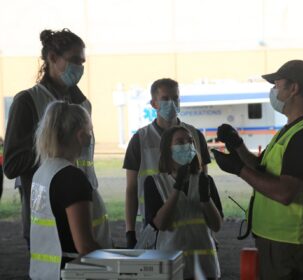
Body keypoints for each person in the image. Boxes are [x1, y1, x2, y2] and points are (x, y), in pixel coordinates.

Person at [212, 60, 303, 280]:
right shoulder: (292, 129)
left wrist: (238, 169)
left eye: (277, 85)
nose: (273, 91)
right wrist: (237, 145)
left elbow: (284, 192)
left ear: (294, 88)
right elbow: (263, 170)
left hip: (293, 244)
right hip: (279, 240)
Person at [3, 28, 104, 249]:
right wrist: (54, 145)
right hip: (48, 213)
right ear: (52, 58)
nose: (80, 68)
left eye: (83, 62)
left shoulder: (83, 105)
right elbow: (12, 166)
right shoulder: (28, 101)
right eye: (74, 60)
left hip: (83, 207)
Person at [123, 78, 211, 248]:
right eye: (165, 99)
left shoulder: (195, 135)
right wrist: (130, 231)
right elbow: (131, 189)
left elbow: (204, 181)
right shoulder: (140, 139)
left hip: (194, 224)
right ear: (154, 103)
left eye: (175, 98)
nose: (171, 103)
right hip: (156, 223)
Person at [30, 101, 110, 280]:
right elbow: (85, 245)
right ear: (81, 136)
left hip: (43, 272)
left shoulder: (43, 172)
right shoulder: (72, 178)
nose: (91, 138)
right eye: (90, 132)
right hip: (71, 272)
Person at [142, 126, 222, 280]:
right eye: (180, 142)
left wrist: (206, 200)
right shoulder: (154, 182)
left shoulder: (205, 181)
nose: (187, 145)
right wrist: (177, 188)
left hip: (205, 267)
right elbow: (160, 224)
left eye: (190, 141)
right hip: (171, 267)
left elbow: (216, 225)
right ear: (167, 149)